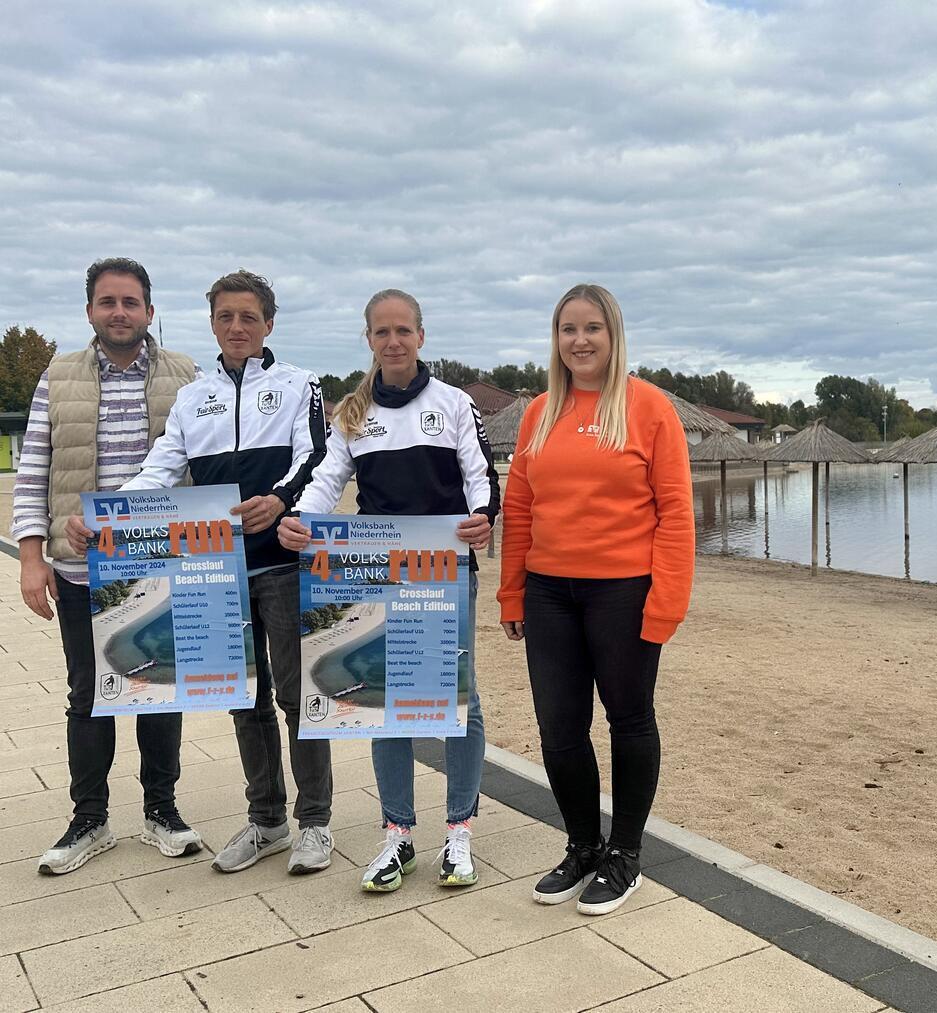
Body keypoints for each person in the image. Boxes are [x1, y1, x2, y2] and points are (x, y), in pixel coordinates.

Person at [68, 269, 334, 874]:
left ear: (269, 323)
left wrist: (283, 499)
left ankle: (315, 823)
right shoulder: (193, 395)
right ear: (211, 322)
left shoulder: (300, 384)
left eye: (248, 317)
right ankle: (268, 821)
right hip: (215, 573)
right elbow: (160, 470)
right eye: (225, 317)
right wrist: (105, 518)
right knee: (245, 699)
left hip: (284, 565)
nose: (236, 327)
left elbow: (315, 456)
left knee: (299, 698)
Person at [278, 288, 498, 893]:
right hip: (374, 570)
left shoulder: (454, 403)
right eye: (382, 332)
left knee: (461, 700)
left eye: (404, 330)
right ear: (369, 340)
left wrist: (484, 514)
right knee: (388, 701)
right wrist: (300, 518)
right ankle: (397, 833)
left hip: (444, 573)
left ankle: (459, 831)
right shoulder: (351, 412)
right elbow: (326, 481)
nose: (394, 341)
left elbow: (481, 474)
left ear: (421, 336)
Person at [498, 284, 694, 916]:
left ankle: (626, 853)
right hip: (551, 591)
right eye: (567, 330)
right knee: (559, 727)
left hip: (624, 590)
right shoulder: (539, 412)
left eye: (592, 329)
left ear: (613, 335)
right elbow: (520, 508)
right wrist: (512, 593)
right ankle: (582, 846)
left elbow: (675, 515)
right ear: (555, 341)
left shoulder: (648, 408)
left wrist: (665, 603)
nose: (579, 341)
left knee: (629, 719)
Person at [13, 258, 201, 874]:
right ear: (90, 310)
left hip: (162, 564)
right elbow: (33, 470)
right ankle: (89, 818)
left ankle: (161, 810)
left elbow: (200, 469)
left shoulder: (186, 375)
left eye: (130, 302)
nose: (119, 312)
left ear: (150, 310)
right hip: (78, 568)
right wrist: (31, 559)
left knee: (158, 688)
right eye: (107, 302)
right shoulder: (57, 376)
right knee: (87, 693)